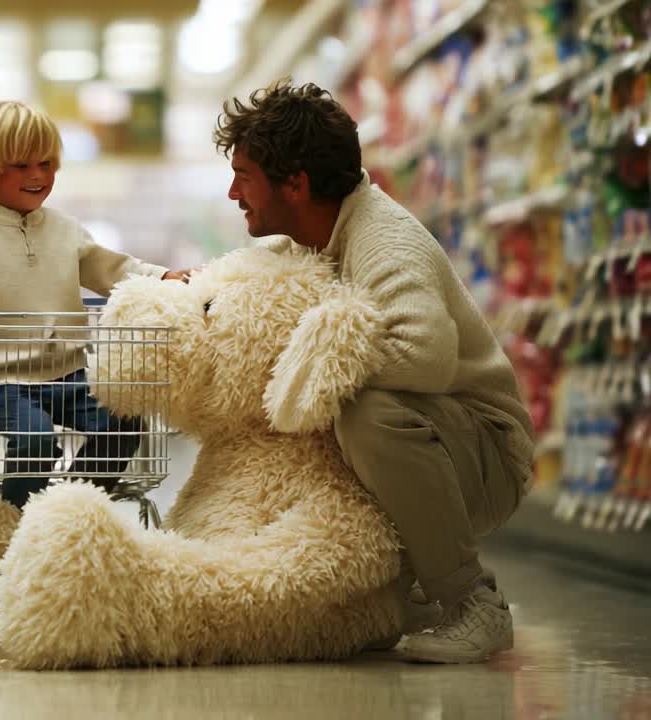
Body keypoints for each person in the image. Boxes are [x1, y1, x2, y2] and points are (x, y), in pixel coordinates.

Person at [213, 80, 534, 664]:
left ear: (296, 183)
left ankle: (471, 601)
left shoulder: (384, 238)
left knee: (367, 415)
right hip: (442, 437)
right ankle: (393, 593)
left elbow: (426, 357)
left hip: (484, 449)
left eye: (245, 175)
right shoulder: (314, 234)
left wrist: (306, 357)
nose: (234, 191)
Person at [0, 100, 190, 508]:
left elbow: (111, 268)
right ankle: (15, 527)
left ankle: (67, 512)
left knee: (122, 425)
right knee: (35, 441)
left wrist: (160, 277)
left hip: (69, 371)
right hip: (6, 381)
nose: (38, 176)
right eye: (21, 165)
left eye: (46, 164)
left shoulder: (65, 229)